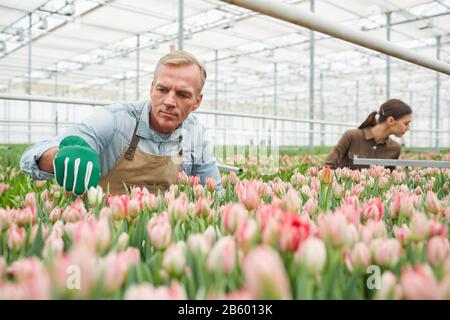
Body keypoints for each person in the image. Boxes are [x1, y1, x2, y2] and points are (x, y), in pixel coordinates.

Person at [20, 50, 222, 195]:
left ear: (197, 101)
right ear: (152, 89)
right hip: (99, 233)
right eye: (162, 90)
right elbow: (30, 157)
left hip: (161, 233)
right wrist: (57, 156)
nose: (169, 101)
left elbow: (215, 191)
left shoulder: (195, 133)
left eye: (182, 94)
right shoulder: (115, 120)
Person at [324, 98, 412, 170]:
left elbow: (389, 178)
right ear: (391, 121)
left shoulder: (395, 148)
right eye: (406, 123)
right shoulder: (352, 136)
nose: (408, 128)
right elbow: (328, 167)